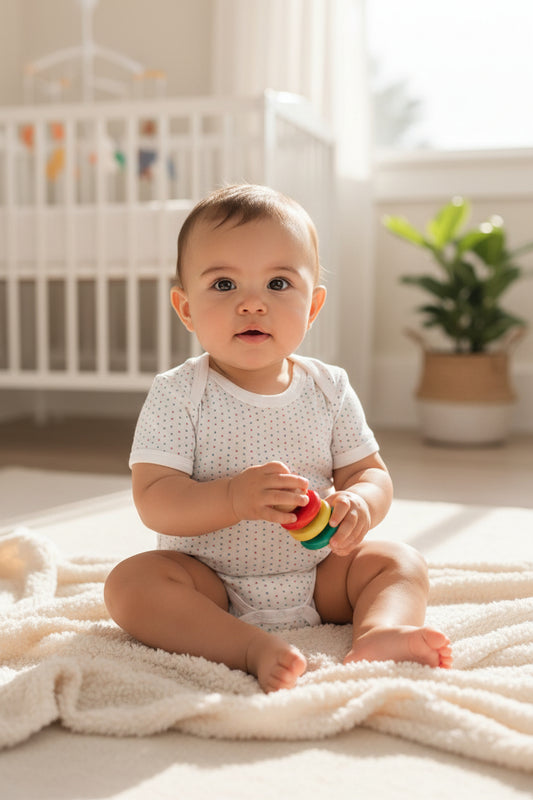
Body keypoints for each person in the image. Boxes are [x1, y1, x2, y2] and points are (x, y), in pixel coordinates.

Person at [104, 184, 452, 693]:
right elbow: (154, 499)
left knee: (400, 562)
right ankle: (245, 646)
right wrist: (232, 497)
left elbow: (369, 473)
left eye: (278, 283)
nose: (252, 303)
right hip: (208, 582)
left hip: (320, 575)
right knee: (131, 586)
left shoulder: (329, 388)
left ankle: (380, 632)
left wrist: (359, 502)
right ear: (186, 308)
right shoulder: (179, 394)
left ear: (312, 307)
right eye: (224, 284)